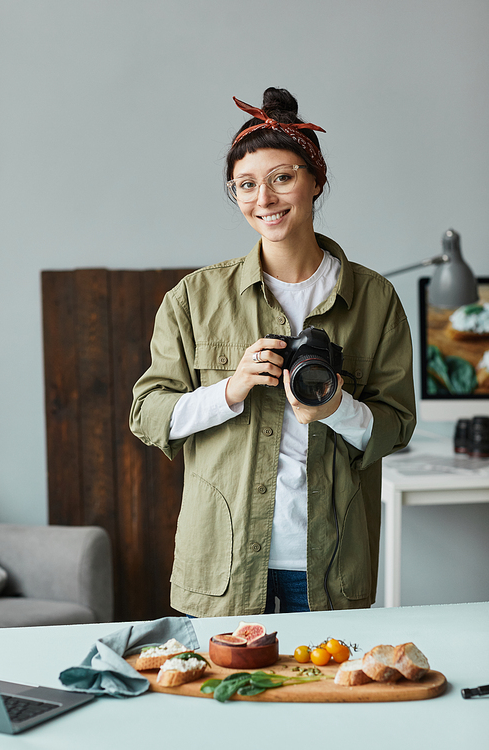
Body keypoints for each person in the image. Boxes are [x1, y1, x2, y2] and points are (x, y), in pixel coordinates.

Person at [129, 87, 416, 618]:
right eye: (245, 185)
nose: (264, 199)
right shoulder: (193, 299)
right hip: (224, 560)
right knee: (228, 695)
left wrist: (336, 410)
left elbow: (397, 424)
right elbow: (147, 415)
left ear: (315, 181)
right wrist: (230, 390)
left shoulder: (375, 299)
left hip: (329, 558)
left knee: (323, 695)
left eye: (282, 177)